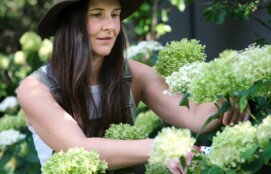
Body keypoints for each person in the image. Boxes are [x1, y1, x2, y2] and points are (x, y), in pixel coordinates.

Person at [16, 0, 248, 173]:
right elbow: (79, 148)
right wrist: (163, 146)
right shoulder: (36, 89)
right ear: (71, 23)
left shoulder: (134, 74)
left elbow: (196, 115)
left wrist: (230, 100)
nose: (110, 26)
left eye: (115, 14)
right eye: (97, 15)